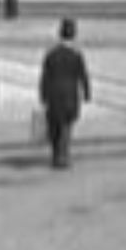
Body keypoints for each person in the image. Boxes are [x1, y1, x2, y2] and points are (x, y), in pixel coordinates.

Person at [38, 18, 92, 169]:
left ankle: (56, 154)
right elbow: (83, 75)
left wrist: (42, 94)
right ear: (74, 35)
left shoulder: (51, 54)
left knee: (54, 125)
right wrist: (87, 93)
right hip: (70, 95)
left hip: (53, 94)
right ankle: (63, 155)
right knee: (66, 126)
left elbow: (44, 76)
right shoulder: (76, 55)